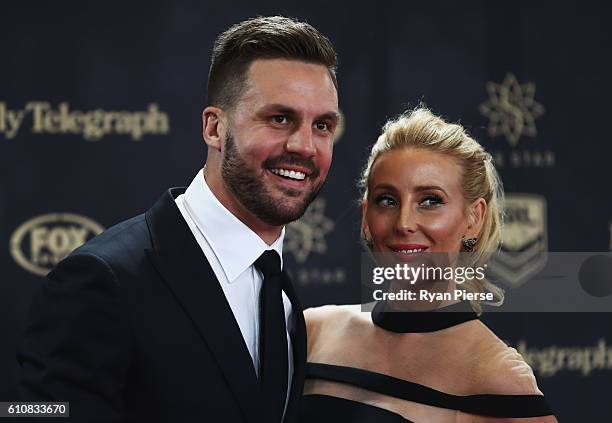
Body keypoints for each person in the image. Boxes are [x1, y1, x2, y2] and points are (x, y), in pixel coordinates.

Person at [17, 16, 340, 423]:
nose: (305, 146)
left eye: (323, 125)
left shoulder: (279, 290)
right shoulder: (103, 280)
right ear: (214, 127)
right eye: (279, 119)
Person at [300, 108, 557, 422]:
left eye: (430, 201)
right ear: (367, 216)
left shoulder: (497, 377)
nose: (404, 223)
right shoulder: (313, 330)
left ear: (474, 218)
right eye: (387, 200)